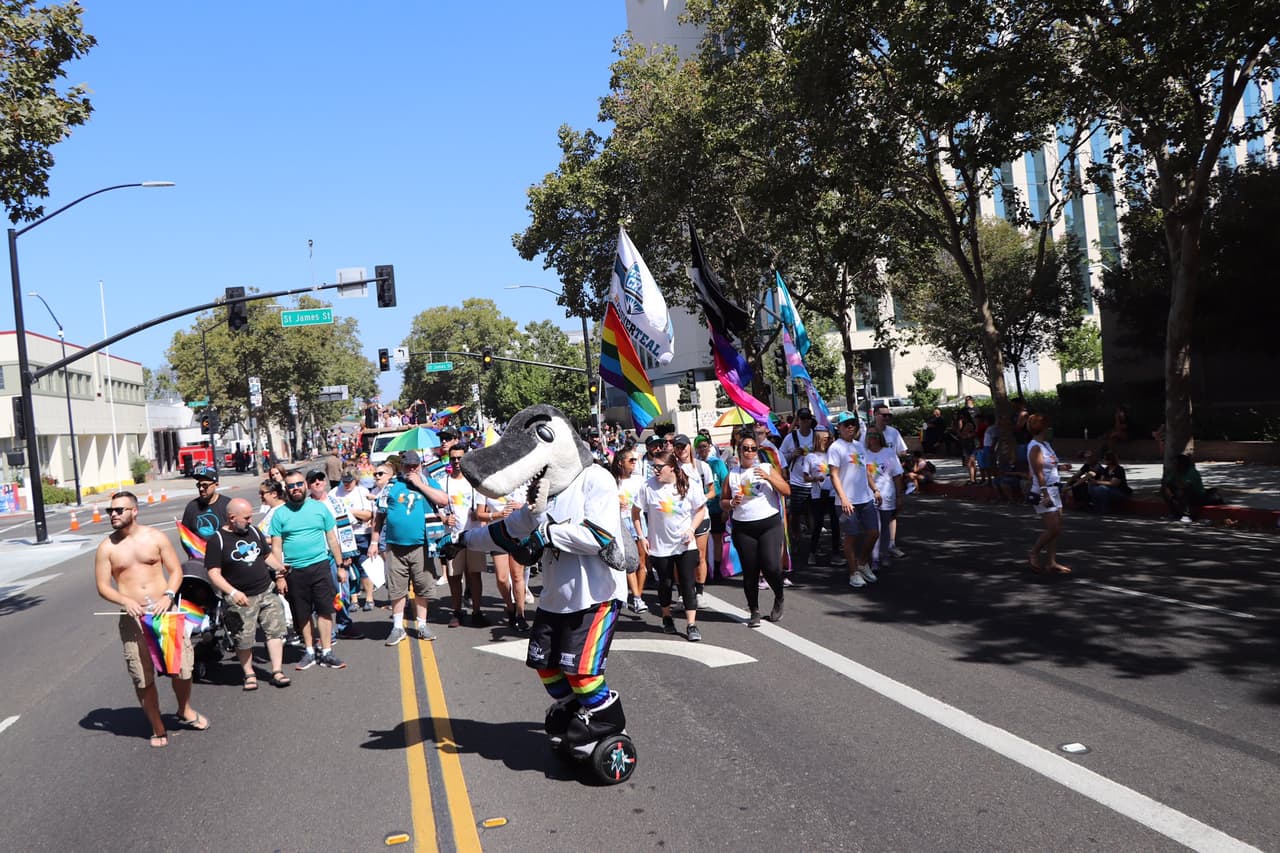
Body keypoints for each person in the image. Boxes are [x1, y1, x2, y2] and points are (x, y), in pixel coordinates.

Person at [94, 491, 207, 748]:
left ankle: (184, 708)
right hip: (134, 619)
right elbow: (103, 586)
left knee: (183, 668)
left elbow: (175, 571)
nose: (113, 515)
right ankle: (157, 725)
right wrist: (124, 600)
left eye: (119, 510)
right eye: (110, 511)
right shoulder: (107, 548)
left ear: (134, 511)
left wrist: (169, 595)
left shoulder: (155, 537)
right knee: (141, 675)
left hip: (165, 612)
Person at [205, 498, 291, 690]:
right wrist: (232, 592)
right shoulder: (217, 540)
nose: (250, 521)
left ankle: (277, 671)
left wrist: (280, 568)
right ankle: (249, 674)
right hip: (241, 598)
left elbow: (266, 555)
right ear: (232, 518)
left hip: (266, 590)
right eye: (246, 518)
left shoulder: (254, 531)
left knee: (275, 631)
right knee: (243, 638)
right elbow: (213, 573)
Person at [269, 470, 350, 670]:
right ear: (286, 489)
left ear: (305, 485)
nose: (295, 488)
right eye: (291, 486)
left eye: (299, 484)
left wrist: (340, 566)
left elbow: (332, 539)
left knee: (325, 610)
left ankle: (327, 651)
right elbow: (276, 547)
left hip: (320, 566)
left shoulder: (319, 509)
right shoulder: (279, 514)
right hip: (294, 571)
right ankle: (310, 651)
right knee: (302, 614)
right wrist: (280, 575)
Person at [370, 449, 452, 645]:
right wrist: (374, 542)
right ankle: (398, 627)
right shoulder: (392, 485)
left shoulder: (427, 482)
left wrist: (419, 484)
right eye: (408, 466)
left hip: (422, 545)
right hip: (395, 547)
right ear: (402, 467)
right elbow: (379, 516)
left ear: (420, 465)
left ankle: (422, 625)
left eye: (415, 466)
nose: (412, 469)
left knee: (422, 586)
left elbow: (443, 500)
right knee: (396, 588)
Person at [634, 448, 708, 641]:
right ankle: (667, 617)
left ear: (672, 467)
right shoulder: (648, 486)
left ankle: (691, 625)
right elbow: (636, 513)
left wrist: (691, 529)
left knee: (687, 583)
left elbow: (700, 509)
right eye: (653, 466)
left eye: (659, 467)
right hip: (660, 547)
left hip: (685, 545)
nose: (655, 470)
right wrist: (641, 536)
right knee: (665, 584)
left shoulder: (689, 484)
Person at [722, 427, 790, 626]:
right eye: (745, 448)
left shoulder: (766, 468)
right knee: (750, 571)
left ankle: (779, 596)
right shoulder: (732, 475)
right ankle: (754, 610)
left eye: (753, 448)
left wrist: (769, 478)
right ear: (739, 451)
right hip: (744, 528)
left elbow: (787, 490)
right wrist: (731, 503)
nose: (749, 452)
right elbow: (723, 502)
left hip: (769, 524)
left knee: (771, 566)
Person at [828, 412, 881, 588]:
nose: (850, 427)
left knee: (874, 532)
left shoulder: (859, 446)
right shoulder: (836, 447)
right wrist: (844, 498)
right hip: (846, 501)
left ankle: (862, 563)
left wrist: (875, 489)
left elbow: (866, 471)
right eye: (846, 424)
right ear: (839, 427)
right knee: (851, 536)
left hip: (865, 498)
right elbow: (834, 475)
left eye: (853, 423)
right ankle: (853, 573)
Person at [442, 444, 489, 628]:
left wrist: (480, 515)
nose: (456, 462)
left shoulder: (474, 482)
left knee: (475, 575)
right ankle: (457, 611)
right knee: (454, 576)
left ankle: (477, 612)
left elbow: (484, 506)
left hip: (474, 534)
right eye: (453, 458)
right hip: (453, 537)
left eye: (459, 458)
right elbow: (437, 508)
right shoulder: (444, 483)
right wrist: (444, 518)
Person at [672, 434, 715, 601]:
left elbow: (712, 491)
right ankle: (682, 594)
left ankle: (699, 592)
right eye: (677, 447)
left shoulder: (702, 466)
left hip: (701, 515)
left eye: (683, 446)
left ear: (689, 446)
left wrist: (701, 499)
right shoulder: (672, 468)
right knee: (679, 556)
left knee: (700, 555)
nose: (681, 450)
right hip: (680, 519)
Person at [1027, 414, 1070, 574]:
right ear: (1042, 428)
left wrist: (1060, 467)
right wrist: (1045, 494)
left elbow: (1047, 466)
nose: (1050, 429)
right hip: (1043, 491)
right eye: (1048, 426)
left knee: (1055, 530)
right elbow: (1038, 473)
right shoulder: (1035, 447)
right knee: (1054, 529)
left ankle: (1051, 562)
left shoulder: (1045, 444)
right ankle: (1034, 552)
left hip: (1054, 489)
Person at [611, 443, 649, 614]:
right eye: (631, 460)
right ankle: (637, 597)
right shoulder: (612, 481)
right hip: (620, 523)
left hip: (638, 522)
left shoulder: (640, 480)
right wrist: (615, 504)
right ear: (621, 462)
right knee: (628, 561)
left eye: (635, 460)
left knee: (642, 561)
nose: (634, 463)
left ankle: (637, 596)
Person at [333, 471, 377, 610]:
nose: (347, 484)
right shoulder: (334, 493)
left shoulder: (362, 491)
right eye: (344, 481)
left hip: (361, 533)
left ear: (356, 480)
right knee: (348, 567)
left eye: (350, 481)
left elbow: (368, 515)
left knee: (364, 566)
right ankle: (354, 600)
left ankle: (369, 598)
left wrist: (348, 511)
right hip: (344, 536)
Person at [863, 429, 904, 571]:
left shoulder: (889, 453)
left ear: (880, 437)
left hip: (887, 495)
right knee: (874, 529)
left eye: (875, 435)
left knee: (885, 528)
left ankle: (884, 554)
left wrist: (899, 496)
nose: (872, 438)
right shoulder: (864, 454)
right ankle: (874, 559)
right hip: (870, 496)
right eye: (869, 435)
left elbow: (897, 476)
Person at [800, 425, 841, 566]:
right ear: (818, 440)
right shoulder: (810, 457)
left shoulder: (832, 454)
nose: (827, 441)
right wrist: (815, 478)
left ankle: (836, 553)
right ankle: (812, 552)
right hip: (818, 494)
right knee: (818, 524)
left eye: (828, 439)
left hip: (833, 493)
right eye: (825, 439)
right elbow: (805, 477)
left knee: (835, 524)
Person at [695, 435, 729, 582]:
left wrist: (725, 509)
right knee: (703, 542)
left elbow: (725, 483)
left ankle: (717, 569)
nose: (702, 449)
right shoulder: (695, 465)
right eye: (699, 447)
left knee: (717, 539)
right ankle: (705, 570)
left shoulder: (717, 463)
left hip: (716, 507)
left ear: (709, 447)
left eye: (705, 446)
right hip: (700, 509)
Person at [181, 465, 230, 549]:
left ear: (216, 485)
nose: (201, 489)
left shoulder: (228, 505)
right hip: (200, 555)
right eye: (199, 485)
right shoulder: (191, 507)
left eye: (205, 485)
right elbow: (185, 535)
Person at [1161, 453, 1216, 522]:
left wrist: (1176, 477)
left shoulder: (1192, 472)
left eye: (1175, 463)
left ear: (1181, 464)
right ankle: (1175, 513)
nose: (1173, 465)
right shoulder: (1174, 471)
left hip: (1197, 495)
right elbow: (1166, 483)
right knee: (1164, 490)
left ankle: (1187, 514)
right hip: (1180, 492)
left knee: (1185, 490)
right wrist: (1168, 492)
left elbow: (1184, 485)